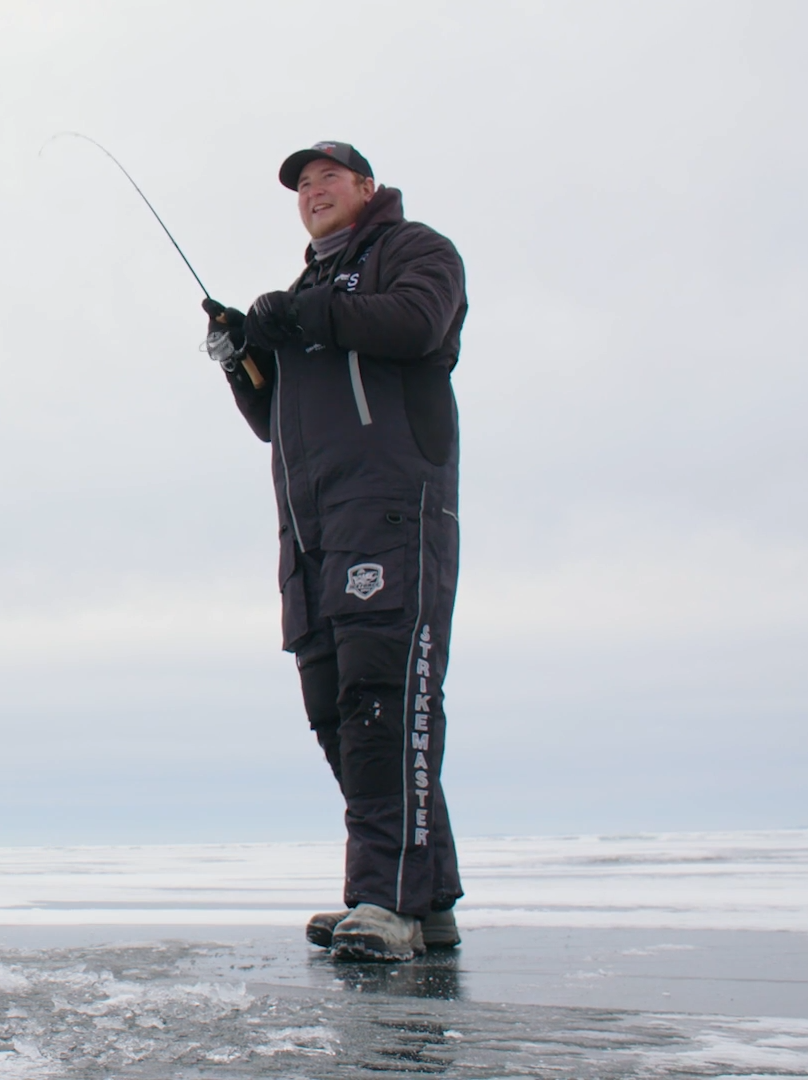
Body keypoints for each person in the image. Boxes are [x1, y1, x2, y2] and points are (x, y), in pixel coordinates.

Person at [203, 142, 467, 962]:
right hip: (309, 526)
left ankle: (383, 898)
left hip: (389, 507)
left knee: (385, 699)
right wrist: (242, 361)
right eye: (302, 184)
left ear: (367, 187)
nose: (313, 191)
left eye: (327, 177)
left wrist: (300, 316)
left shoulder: (414, 251)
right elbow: (273, 422)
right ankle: (425, 899)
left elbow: (418, 325)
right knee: (334, 708)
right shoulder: (306, 294)